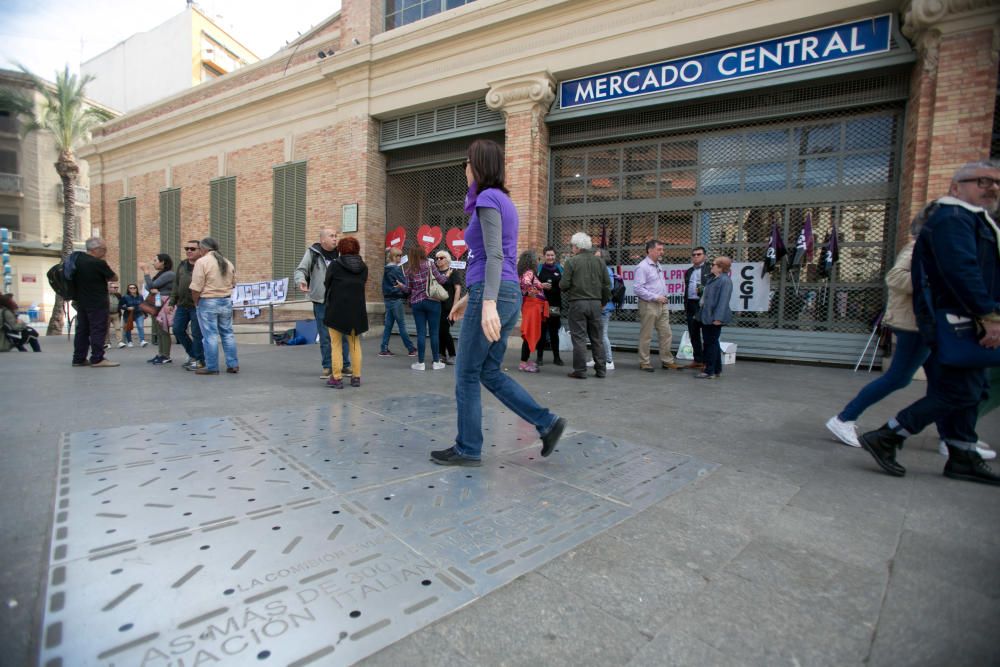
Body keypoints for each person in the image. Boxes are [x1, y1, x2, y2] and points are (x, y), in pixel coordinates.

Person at [858, 161, 1000, 485]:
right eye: (982, 181)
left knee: (971, 388)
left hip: (960, 319)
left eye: (996, 182)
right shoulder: (952, 219)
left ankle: (962, 453)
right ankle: (888, 434)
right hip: (960, 320)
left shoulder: (970, 221)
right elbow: (962, 272)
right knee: (955, 391)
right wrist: (990, 315)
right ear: (956, 187)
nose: (991, 187)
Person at [430, 138, 566, 466]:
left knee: (465, 372)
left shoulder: (488, 198)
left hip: (494, 294)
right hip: (501, 292)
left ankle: (467, 447)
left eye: (467, 161)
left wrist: (485, 300)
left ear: (478, 165)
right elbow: (493, 256)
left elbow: (495, 253)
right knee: (489, 371)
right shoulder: (503, 199)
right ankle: (547, 422)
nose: (464, 167)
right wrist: (472, 299)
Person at [825, 207, 996, 460]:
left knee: (941, 385)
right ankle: (844, 418)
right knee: (899, 378)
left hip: (931, 327)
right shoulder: (918, 247)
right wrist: (936, 282)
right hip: (913, 326)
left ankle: (951, 439)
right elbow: (895, 277)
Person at [294, 227, 351, 379]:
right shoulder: (313, 253)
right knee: (325, 335)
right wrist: (301, 281)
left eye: (335, 236)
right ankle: (327, 366)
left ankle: (345, 365)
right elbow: (301, 270)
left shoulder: (341, 253)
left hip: (340, 300)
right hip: (321, 301)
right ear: (323, 240)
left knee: (343, 334)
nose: (335, 238)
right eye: (331, 236)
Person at [560, 232, 611, 379]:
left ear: (576, 246)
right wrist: (603, 302)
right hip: (596, 304)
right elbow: (607, 285)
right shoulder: (599, 262)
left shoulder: (571, 262)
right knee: (597, 338)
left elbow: (564, 285)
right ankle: (601, 370)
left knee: (579, 338)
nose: (572, 248)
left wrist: (563, 286)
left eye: (572, 246)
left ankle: (580, 370)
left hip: (578, 303)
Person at [323, 237, 368, 388]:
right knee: (355, 344)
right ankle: (356, 377)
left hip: (336, 310)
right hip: (356, 311)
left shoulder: (335, 265)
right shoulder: (363, 267)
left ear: (340, 249)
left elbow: (327, 283)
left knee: (336, 344)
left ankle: (336, 378)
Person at [190, 237, 238, 375]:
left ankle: (212, 366)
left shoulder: (202, 262)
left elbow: (196, 286)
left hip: (208, 300)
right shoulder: (227, 262)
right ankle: (233, 364)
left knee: (210, 335)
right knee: (227, 334)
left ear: (204, 248)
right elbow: (233, 283)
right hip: (226, 300)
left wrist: (196, 301)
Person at [633, 239, 681, 372]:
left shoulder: (658, 265)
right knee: (646, 335)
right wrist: (655, 297)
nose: (662, 252)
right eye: (659, 249)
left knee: (666, 333)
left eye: (662, 249)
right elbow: (638, 289)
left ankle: (667, 360)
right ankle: (645, 362)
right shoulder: (642, 267)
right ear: (650, 250)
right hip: (649, 304)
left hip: (662, 304)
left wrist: (662, 297)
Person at [71, 237, 119, 368]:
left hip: (81, 301)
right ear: (96, 249)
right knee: (98, 329)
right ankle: (97, 358)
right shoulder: (98, 263)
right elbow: (114, 277)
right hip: (97, 302)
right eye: (104, 249)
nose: (105, 252)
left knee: (82, 330)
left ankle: (78, 358)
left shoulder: (77, 259)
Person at [402, 244, 448, 371]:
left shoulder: (409, 269)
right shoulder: (430, 264)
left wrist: (401, 286)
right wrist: (447, 275)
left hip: (417, 303)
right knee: (434, 333)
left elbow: (408, 289)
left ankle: (421, 363)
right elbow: (441, 280)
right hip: (433, 301)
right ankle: (436, 362)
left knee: (421, 333)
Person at [695, 256, 733, 379]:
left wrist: (718, 318)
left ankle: (709, 370)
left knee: (710, 344)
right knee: (712, 343)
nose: (711, 266)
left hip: (713, 318)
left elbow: (723, 301)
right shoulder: (714, 279)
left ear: (720, 268)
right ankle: (716, 369)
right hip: (707, 316)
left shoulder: (724, 281)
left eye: (714, 264)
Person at [171, 240, 206, 371]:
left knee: (197, 334)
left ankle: (199, 360)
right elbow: (176, 284)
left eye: (192, 249)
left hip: (197, 305)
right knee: (177, 330)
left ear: (200, 250)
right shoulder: (182, 265)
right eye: (187, 248)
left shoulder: (203, 264)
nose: (189, 251)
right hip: (182, 305)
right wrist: (172, 302)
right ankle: (193, 355)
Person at [379, 247, 417, 357]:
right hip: (396, 299)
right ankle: (411, 348)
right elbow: (404, 284)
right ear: (393, 257)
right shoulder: (396, 269)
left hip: (388, 299)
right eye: (398, 255)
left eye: (401, 255)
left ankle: (384, 348)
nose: (400, 257)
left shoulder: (387, 268)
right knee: (402, 325)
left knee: (388, 325)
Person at [140, 253, 175, 365]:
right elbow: (149, 286)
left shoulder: (169, 274)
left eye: (155, 260)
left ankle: (165, 355)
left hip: (165, 304)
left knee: (163, 330)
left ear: (163, 262)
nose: (153, 262)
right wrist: (154, 288)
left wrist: (146, 272)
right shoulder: (162, 274)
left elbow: (150, 286)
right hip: (160, 304)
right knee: (159, 331)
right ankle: (161, 354)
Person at [517, 250, 548, 373]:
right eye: (537, 259)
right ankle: (523, 363)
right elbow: (525, 283)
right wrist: (533, 292)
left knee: (531, 332)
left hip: (531, 306)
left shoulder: (526, 272)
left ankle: (525, 360)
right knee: (530, 332)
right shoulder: (529, 272)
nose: (538, 261)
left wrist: (540, 286)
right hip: (532, 306)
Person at [586, 249, 616, 371]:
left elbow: (610, 287)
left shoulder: (607, 271)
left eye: (598, 257)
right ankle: (596, 358)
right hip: (597, 307)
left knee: (602, 335)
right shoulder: (599, 270)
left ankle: (609, 360)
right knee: (595, 335)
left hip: (604, 308)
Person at [535, 246, 565, 366]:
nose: (550, 257)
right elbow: (532, 284)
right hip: (541, 304)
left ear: (555, 256)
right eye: (548, 255)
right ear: (544, 256)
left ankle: (557, 357)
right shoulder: (539, 268)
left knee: (554, 330)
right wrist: (540, 285)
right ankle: (539, 357)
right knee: (541, 330)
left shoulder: (560, 269)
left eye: (552, 255)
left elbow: (565, 284)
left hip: (555, 305)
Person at [684, 246, 711, 369]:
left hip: (704, 305)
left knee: (706, 334)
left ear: (704, 256)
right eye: (694, 255)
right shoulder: (689, 271)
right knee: (693, 333)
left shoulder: (710, 269)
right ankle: (698, 359)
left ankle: (707, 361)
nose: (695, 256)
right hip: (691, 304)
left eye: (698, 254)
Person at [435, 250, 462, 364]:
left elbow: (458, 289)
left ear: (447, 259)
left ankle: (452, 354)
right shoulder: (435, 272)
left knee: (444, 330)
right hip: (436, 305)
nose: (438, 260)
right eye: (436, 258)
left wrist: (455, 306)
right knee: (438, 330)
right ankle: (441, 354)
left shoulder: (453, 272)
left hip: (447, 305)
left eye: (441, 258)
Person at [120, 283, 146, 348]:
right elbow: (120, 306)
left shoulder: (140, 296)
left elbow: (143, 305)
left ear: (136, 289)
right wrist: (127, 308)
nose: (132, 289)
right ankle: (129, 342)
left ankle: (142, 341)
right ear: (128, 289)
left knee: (140, 326)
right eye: (130, 288)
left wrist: (145, 314)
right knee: (128, 328)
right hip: (128, 314)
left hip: (139, 314)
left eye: (134, 288)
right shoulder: (125, 297)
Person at [106, 281, 122, 349]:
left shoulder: (118, 295)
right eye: (114, 287)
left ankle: (120, 342)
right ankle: (107, 343)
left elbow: (121, 303)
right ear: (109, 288)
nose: (116, 289)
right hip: (107, 314)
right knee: (106, 329)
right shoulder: (104, 295)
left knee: (118, 328)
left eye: (117, 287)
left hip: (116, 314)